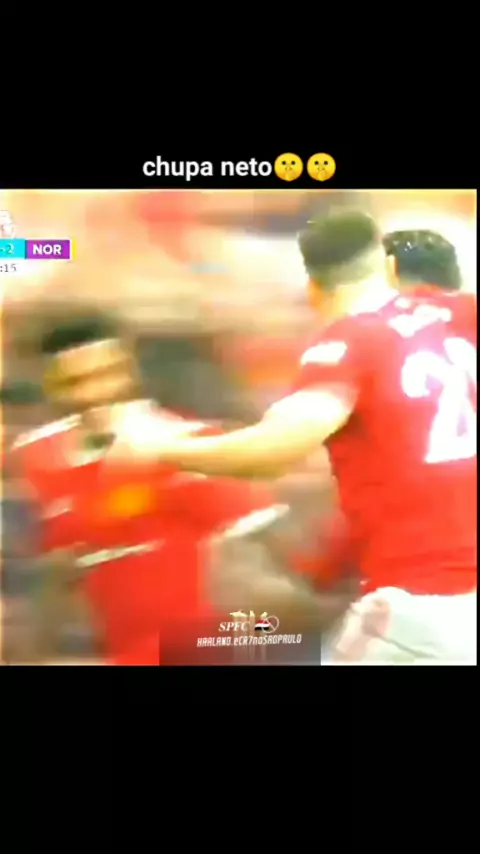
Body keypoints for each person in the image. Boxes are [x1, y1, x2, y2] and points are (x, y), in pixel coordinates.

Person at [108, 211, 477, 663]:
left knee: (206, 650)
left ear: (314, 290)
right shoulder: (464, 315)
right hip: (432, 597)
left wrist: (158, 446)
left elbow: (276, 449)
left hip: (423, 604)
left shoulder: (352, 339)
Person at [11, 311, 324, 665]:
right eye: (76, 381)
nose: (97, 393)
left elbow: (275, 561)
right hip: (114, 649)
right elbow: (56, 567)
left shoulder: (190, 446)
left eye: (109, 373)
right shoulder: (37, 456)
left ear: (130, 370)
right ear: (52, 387)